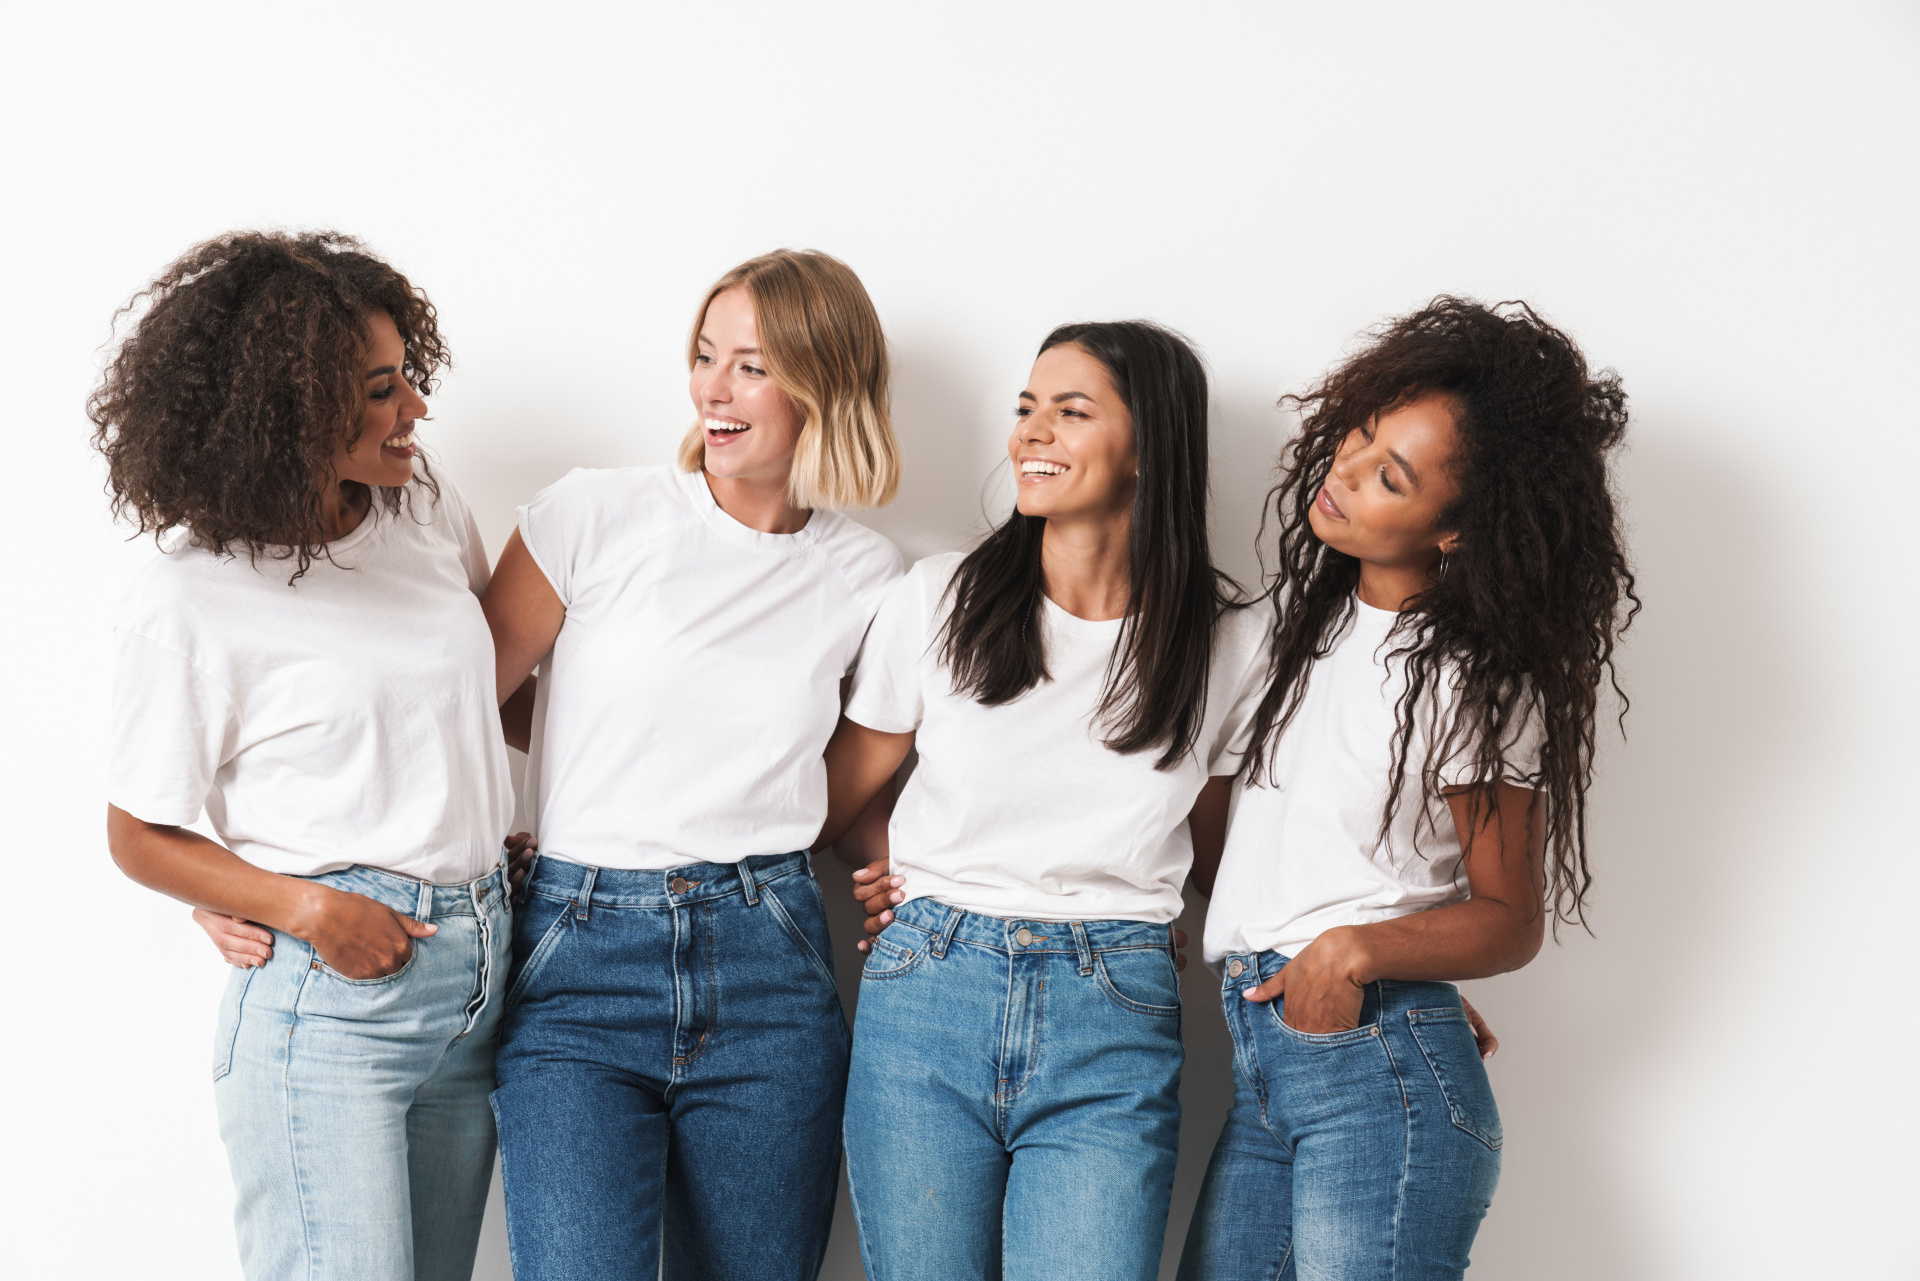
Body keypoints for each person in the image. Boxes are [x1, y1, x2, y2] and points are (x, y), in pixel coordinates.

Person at [1177, 298, 1638, 1280]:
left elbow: (1511, 917)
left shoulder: (1476, 677)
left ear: (1460, 532)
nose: (1344, 472)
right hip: (1264, 1053)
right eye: (1361, 437)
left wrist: (1361, 954)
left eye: (1391, 476)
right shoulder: (1264, 639)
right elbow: (1216, 844)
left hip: (1377, 1077)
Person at [96, 231, 516, 1281]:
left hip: (480, 971)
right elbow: (138, 831)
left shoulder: (420, 506)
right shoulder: (190, 594)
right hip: (336, 1000)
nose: (414, 408)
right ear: (284, 414)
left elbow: (488, 689)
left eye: (407, 375)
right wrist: (306, 908)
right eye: (379, 391)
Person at [481, 249, 903, 1280]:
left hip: (769, 958)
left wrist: (896, 866)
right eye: (706, 356)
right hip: (576, 956)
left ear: (825, 384)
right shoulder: (594, 514)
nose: (712, 387)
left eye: (750, 365)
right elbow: (463, 701)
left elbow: (839, 787)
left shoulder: (870, 578)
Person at [819, 321, 1270, 1281]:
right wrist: (886, 862)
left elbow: (1236, 858)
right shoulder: (940, 598)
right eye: (1026, 409)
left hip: (1114, 1007)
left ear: (1151, 446)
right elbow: (834, 799)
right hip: (928, 989)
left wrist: (1394, 979)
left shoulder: (1226, 643)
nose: (1032, 433)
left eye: (1071, 411)